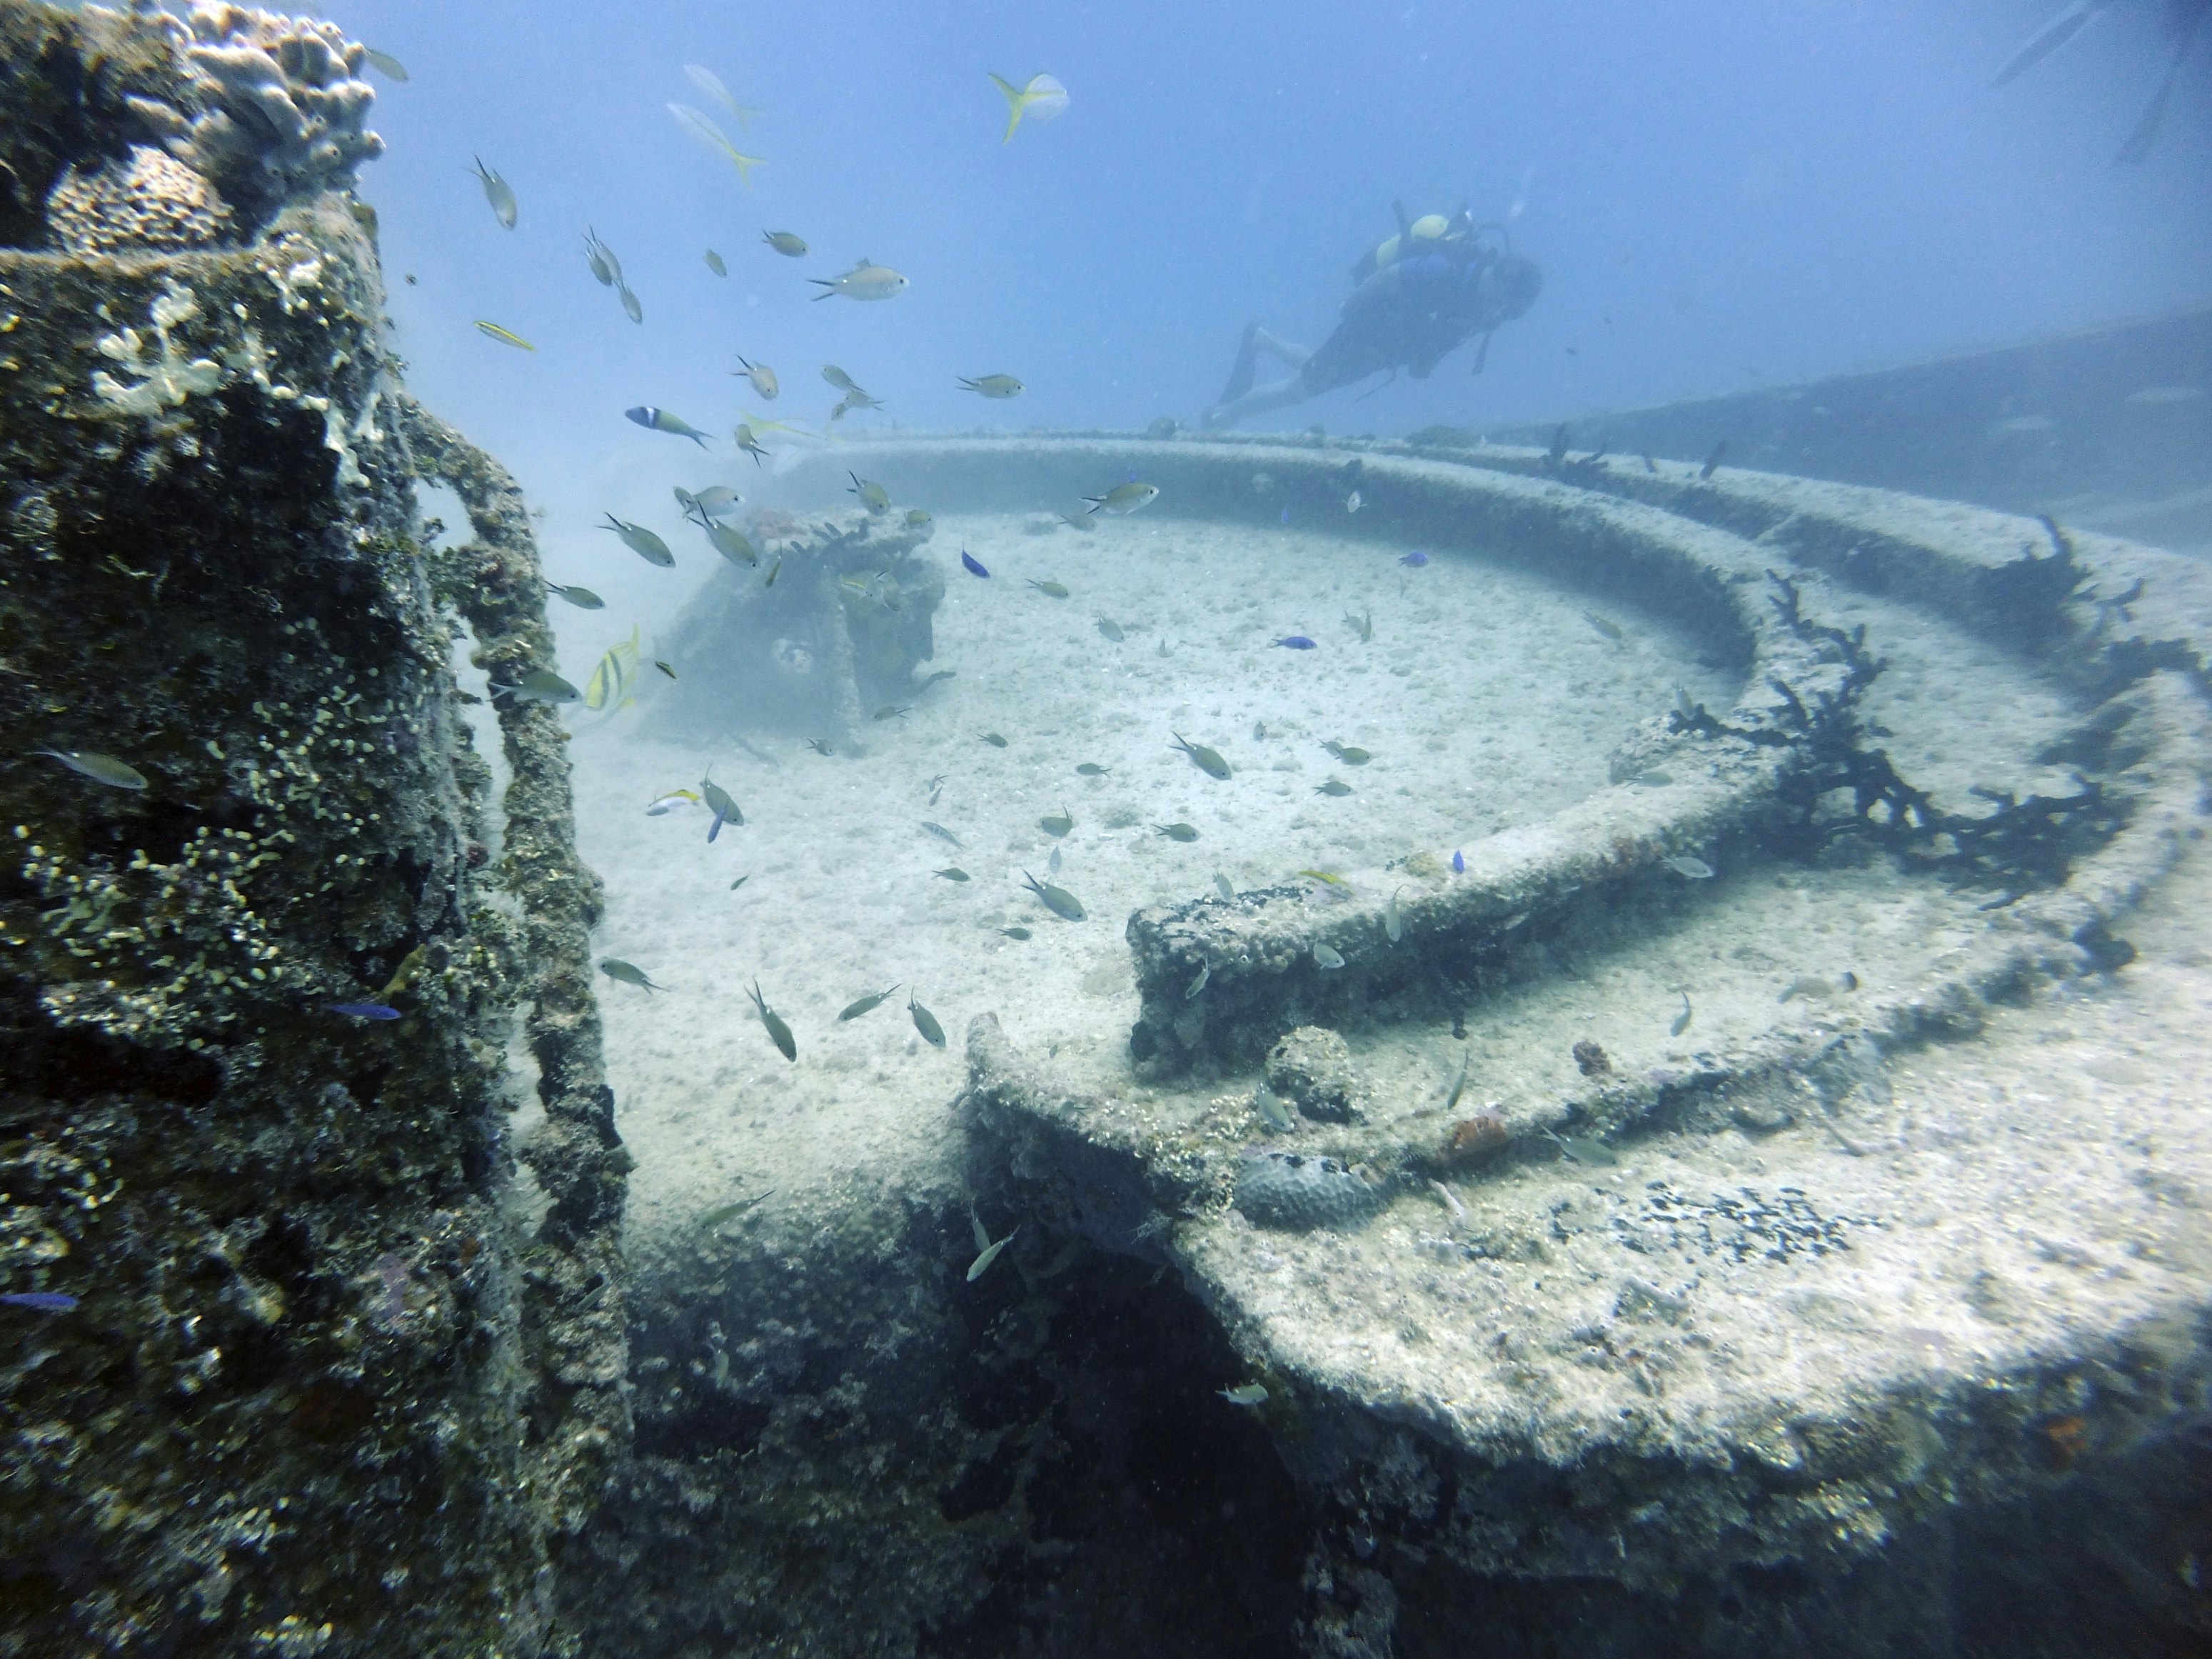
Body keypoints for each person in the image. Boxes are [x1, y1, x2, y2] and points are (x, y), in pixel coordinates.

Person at [1202, 202, 1542, 428]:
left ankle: (1263, 339)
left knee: (1318, 377)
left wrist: (1424, 359)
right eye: (1506, 304)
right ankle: (1220, 419)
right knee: (1300, 390)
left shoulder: (1483, 307)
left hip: (1388, 346)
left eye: (1512, 313)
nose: (1502, 314)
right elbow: (1388, 277)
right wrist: (1351, 307)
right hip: (1369, 327)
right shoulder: (1445, 270)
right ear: (1498, 279)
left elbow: (1445, 337)